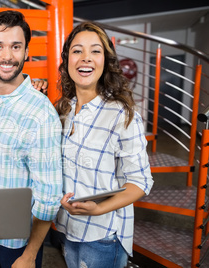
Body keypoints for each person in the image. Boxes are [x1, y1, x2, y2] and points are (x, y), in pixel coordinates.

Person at [53, 22, 154, 268]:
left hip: (103, 234)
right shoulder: (63, 109)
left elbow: (140, 183)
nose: (85, 58)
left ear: (106, 61)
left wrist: (98, 210)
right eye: (77, 51)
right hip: (66, 226)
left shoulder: (122, 114)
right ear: (67, 60)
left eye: (95, 51)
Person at [0, 10, 63, 268]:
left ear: (26, 52)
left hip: (17, 242)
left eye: (16, 47)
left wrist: (29, 255)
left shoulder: (41, 113)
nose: (7, 56)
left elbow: (48, 198)